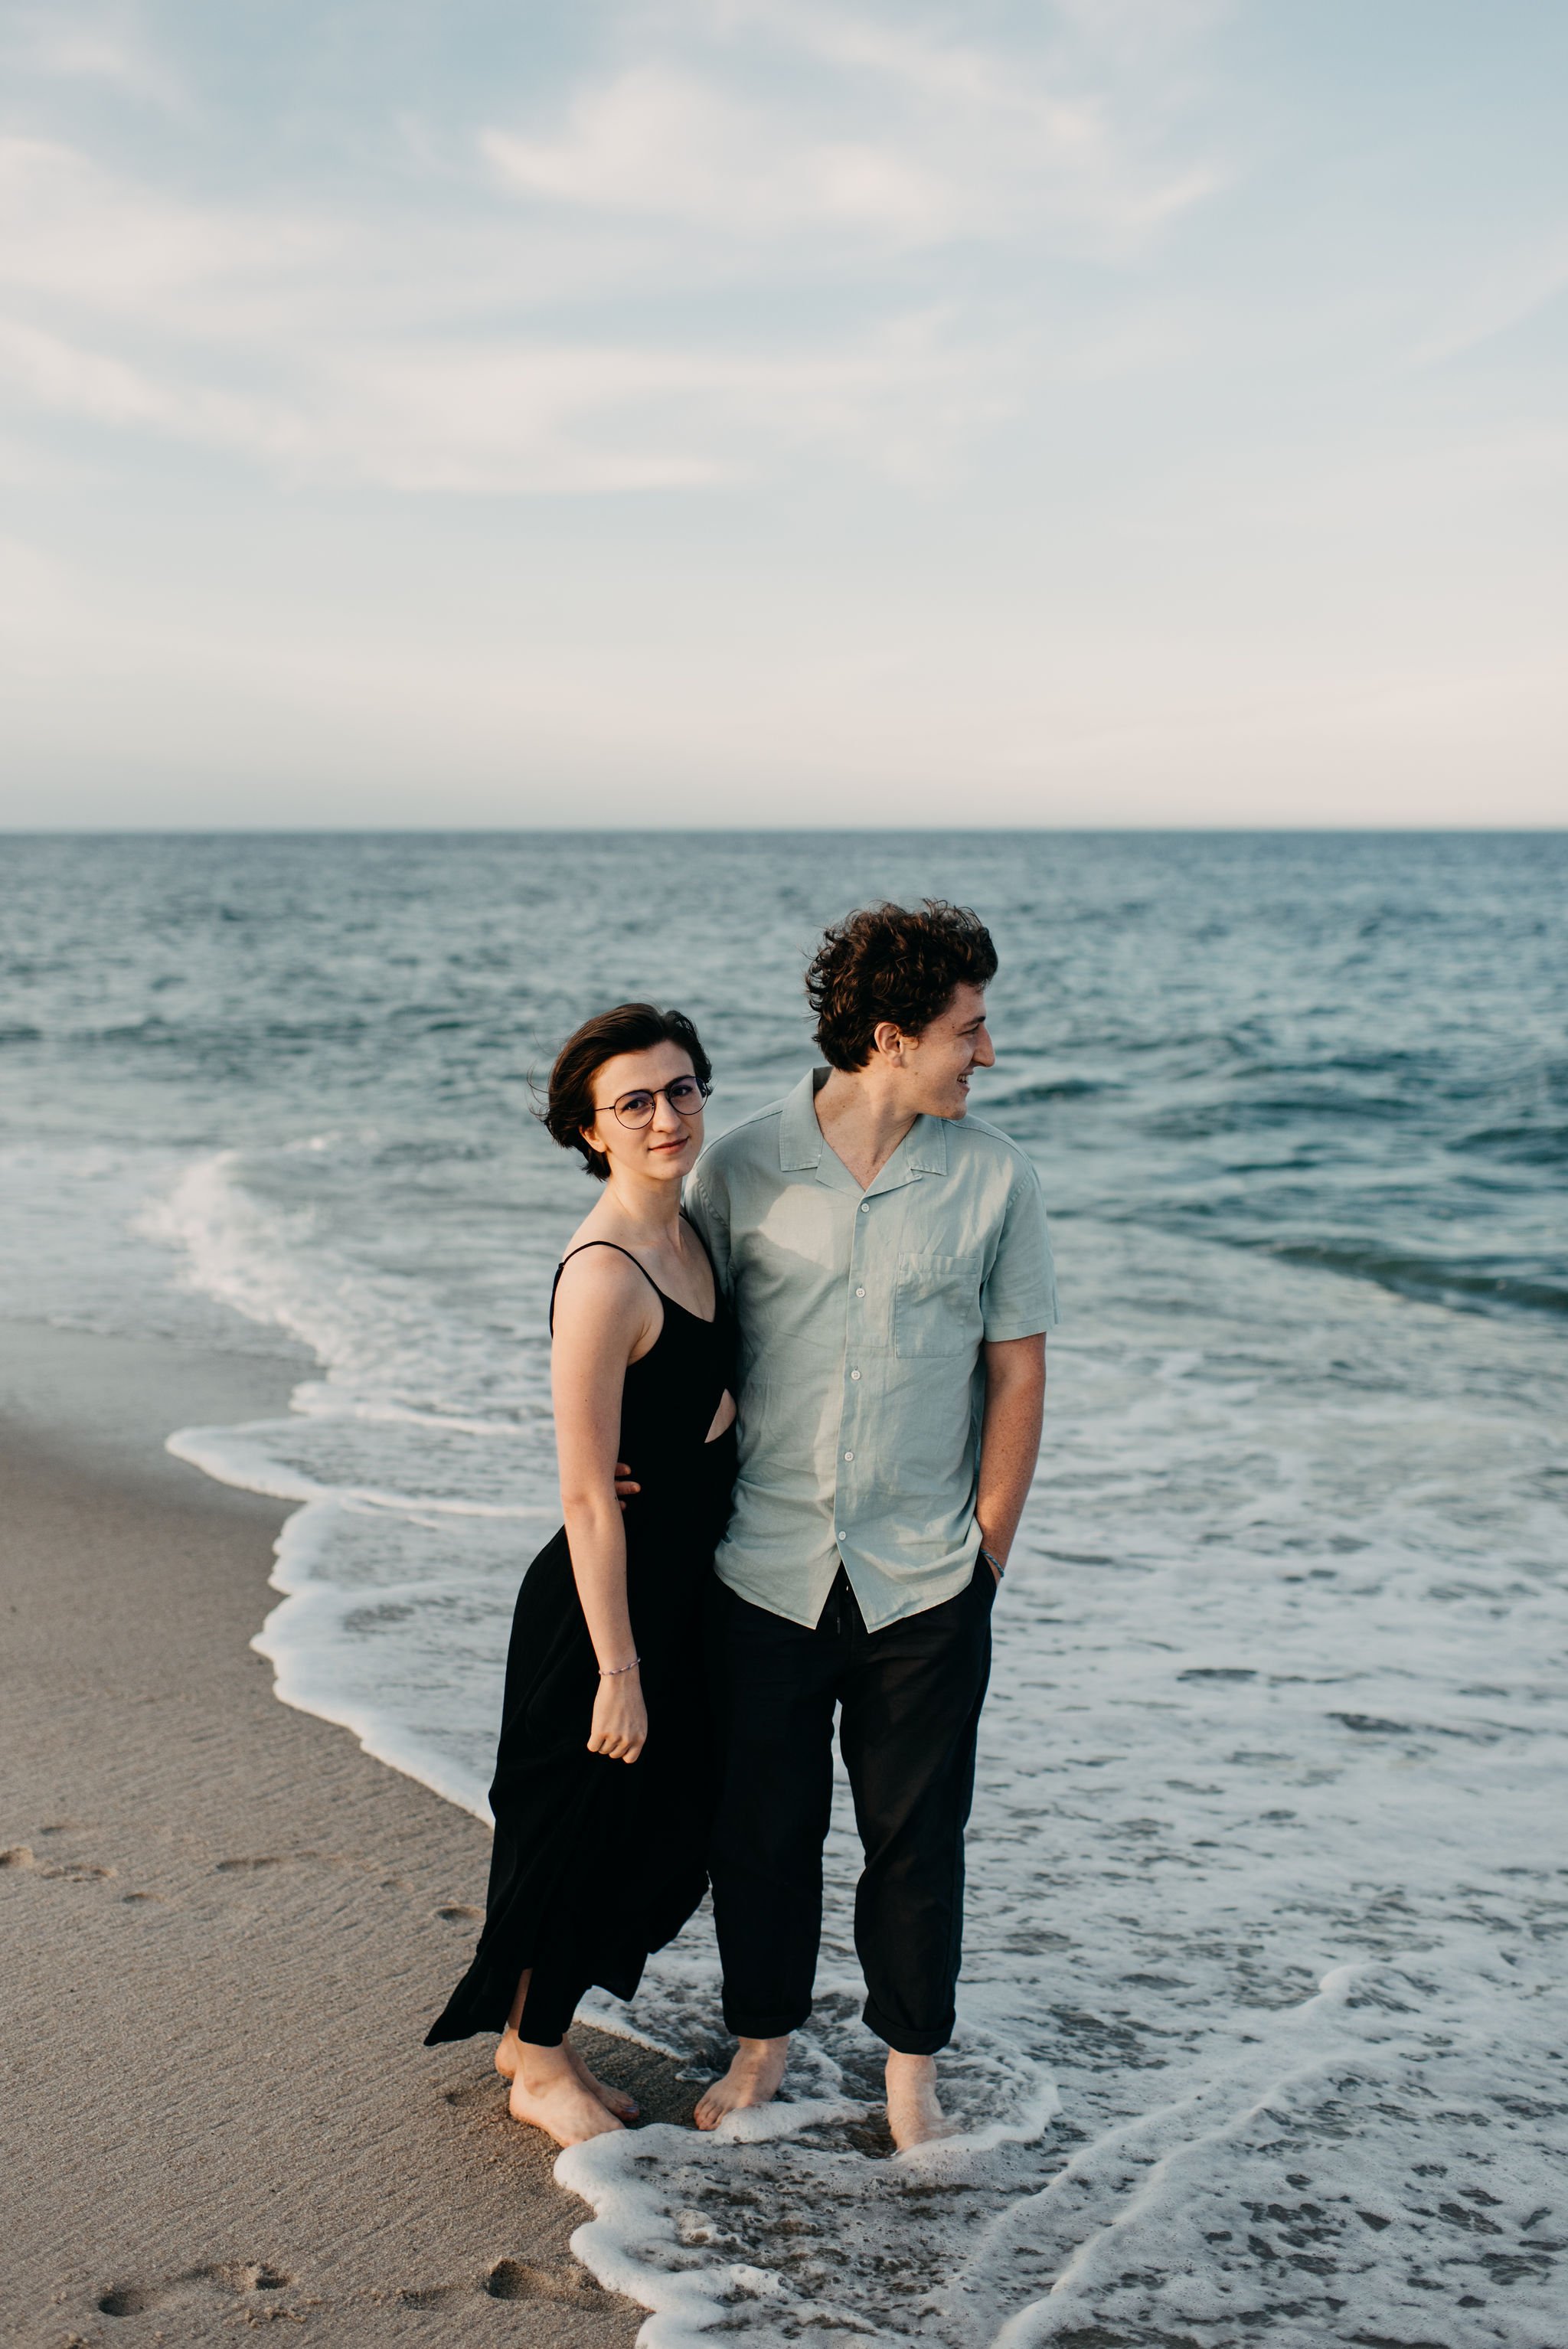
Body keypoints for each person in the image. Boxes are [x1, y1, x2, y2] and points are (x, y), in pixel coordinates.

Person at [684, 900, 1056, 2150]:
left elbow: (1016, 1371)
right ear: (891, 1038)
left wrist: (985, 1551)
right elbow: (684, 1343)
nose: (987, 1053)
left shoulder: (998, 1177)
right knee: (763, 1833)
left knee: (917, 1842)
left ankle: (909, 2074)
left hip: (924, 1580)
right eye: (971, 1029)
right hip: (763, 1568)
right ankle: (763, 2044)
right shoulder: (736, 1166)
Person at [426, 1003, 736, 2148]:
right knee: (584, 1828)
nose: (668, 1115)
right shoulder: (603, 1273)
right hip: (603, 1608)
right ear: (590, 1130)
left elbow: (708, 1396)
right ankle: (540, 2061)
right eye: (636, 1102)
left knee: (671, 1829)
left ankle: (527, 2031)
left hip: (685, 1590)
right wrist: (618, 1666)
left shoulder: (697, 1235)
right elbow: (583, 1490)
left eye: (684, 1088)